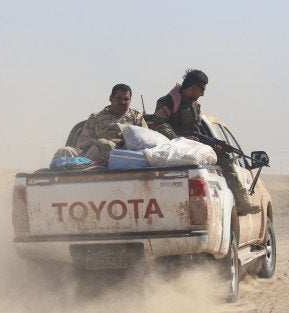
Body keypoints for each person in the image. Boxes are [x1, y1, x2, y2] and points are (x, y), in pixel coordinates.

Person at [149, 69, 260, 214]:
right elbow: (157, 124)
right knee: (220, 160)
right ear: (194, 87)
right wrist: (179, 140)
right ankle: (241, 201)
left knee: (222, 155)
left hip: (193, 144)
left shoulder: (193, 104)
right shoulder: (169, 101)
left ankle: (241, 201)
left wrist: (213, 145)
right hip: (174, 146)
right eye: (202, 89)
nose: (202, 94)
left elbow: (198, 132)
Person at [52, 83, 148, 163]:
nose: (122, 102)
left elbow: (146, 140)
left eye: (126, 99)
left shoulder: (136, 117)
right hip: (93, 152)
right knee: (64, 151)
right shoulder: (96, 118)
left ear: (130, 101)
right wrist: (97, 142)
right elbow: (82, 142)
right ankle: (59, 180)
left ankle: (81, 168)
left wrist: (123, 141)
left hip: (122, 156)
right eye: (119, 98)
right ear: (111, 98)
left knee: (105, 145)